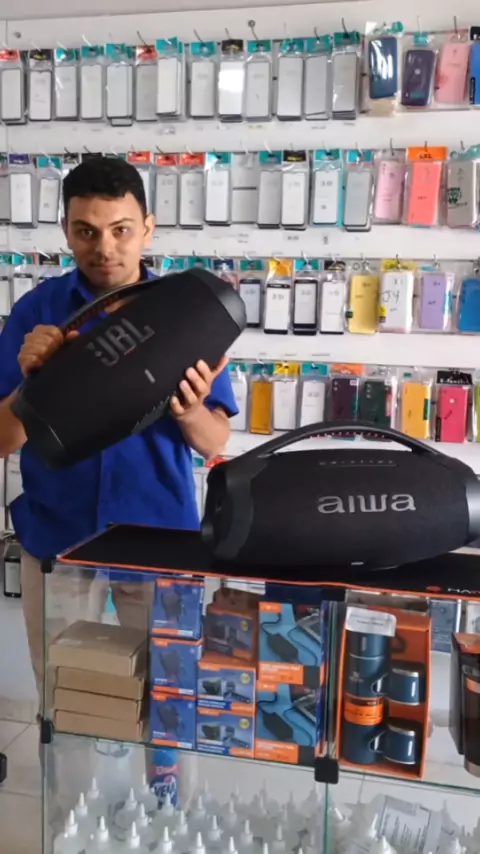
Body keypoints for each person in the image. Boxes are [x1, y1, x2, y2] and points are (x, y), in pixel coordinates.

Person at [0, 156, 237, 703]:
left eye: (121, 230)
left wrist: (188, 410)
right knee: (63, 701)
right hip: (57, 535)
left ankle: (162, 767)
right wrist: (37, 387)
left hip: (158, 534)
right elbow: (2, 439)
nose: (104, 248)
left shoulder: (189, 308)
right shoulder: (38, 312)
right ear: (65, 231)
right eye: (86, 231)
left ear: (148, 228)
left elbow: (214, 442)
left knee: (170, 700)